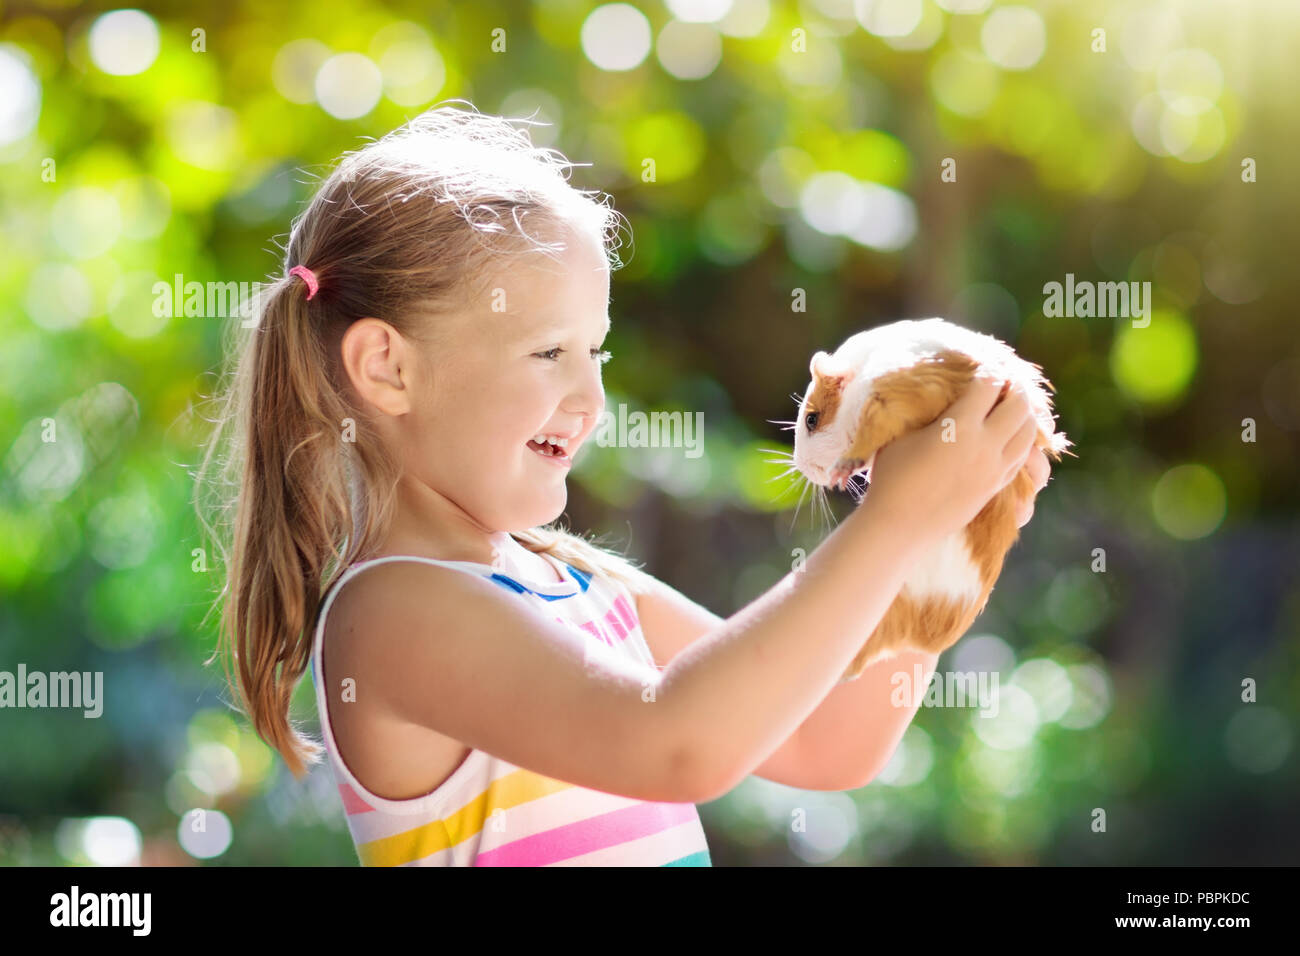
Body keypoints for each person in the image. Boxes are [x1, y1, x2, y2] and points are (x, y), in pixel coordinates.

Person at [195, 100, 1049, 866]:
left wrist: (952, 530)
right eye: (548, 352)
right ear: (387, 368)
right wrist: (892, 525)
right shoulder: (393, 612)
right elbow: (677, 743)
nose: (591, 398)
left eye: (594, 352)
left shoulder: (581, 586)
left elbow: (829, 742)